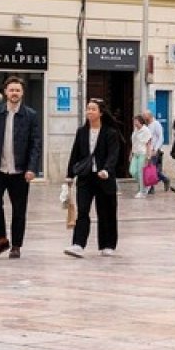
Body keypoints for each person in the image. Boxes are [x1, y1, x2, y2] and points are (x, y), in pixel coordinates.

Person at [0, 74, 42, 259]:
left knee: (19, 210)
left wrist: (32, 168)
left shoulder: (31, 115)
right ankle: (2, 240)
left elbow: (36, 144)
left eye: (18, 90)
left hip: (20, 171)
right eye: (11, 90)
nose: (14, 93)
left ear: (22, 93)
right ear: (5, 92)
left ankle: (16, 246)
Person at [65, 99, 127, 258]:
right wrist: (70, 175)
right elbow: (75, 153)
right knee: (83, 210)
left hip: (104, 177)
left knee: (106, 211)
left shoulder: (110, 133)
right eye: (88, 109)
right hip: (86, 177)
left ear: (101, 113)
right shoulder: (81, 131)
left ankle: (108, 245)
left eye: (93, 109)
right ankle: (78, 244)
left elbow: (113, 154)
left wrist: (107, 169)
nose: (89, 112)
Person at [129, 109, 164, 198]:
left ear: (140, 121)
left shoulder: (147, 129)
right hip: (135, 153)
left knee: (142, 172)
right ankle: (146, 185)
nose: (134, 123)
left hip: (143, 153)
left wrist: (150, 154)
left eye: (136, 121)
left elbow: (150, 143)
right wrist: (131, 153)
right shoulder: (135, 131)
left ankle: (142, 191)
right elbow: (133, 143)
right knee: (133, 171)